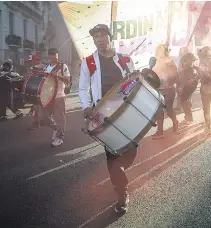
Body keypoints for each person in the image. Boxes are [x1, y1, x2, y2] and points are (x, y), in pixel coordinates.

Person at [78, 24, 136, 214]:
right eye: (96, 36)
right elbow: (82, 87)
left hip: (126, 111)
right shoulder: (88, 63)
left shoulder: (126, 59)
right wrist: (86, 106)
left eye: (103, 35)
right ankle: (122, 193)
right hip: (103, 114)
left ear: (110, 38)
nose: (99, 39)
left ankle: (119, 173)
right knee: (113, 157)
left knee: (131, 150)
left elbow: (135, 82)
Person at [38, 48, 71, 147]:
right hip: (48, 96)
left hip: (59, 96)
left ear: (57, 55)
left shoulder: (62, 66)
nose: (53, 57)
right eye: (51, 55)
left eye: (55, 55)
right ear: (49, 56)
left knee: (60, 118)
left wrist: (57, 75)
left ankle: (59, 138)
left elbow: (68, 80)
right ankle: (56, 128)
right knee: (44, 117)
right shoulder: (47, 67)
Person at [151, 44, 179, 139]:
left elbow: (175, 75)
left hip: (168, 90)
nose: (160, 52)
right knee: (159, 110)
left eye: (162, 50)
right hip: (158, 90)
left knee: (169, 110)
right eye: (159, 50)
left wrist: (167, 80)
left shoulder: (170, 62)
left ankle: (175, 121)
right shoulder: (156, 61)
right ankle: (160, 131)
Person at [177, 52, 199, 124]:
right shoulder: (189, 66)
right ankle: (188, 117)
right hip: (189, 85)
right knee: (184, 100)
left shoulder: (189, 67)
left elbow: (184, 78)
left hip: (189, 86)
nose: (184, 62)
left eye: (185, 61)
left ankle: (189, 119)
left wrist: (181, 86)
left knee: (183, 100)